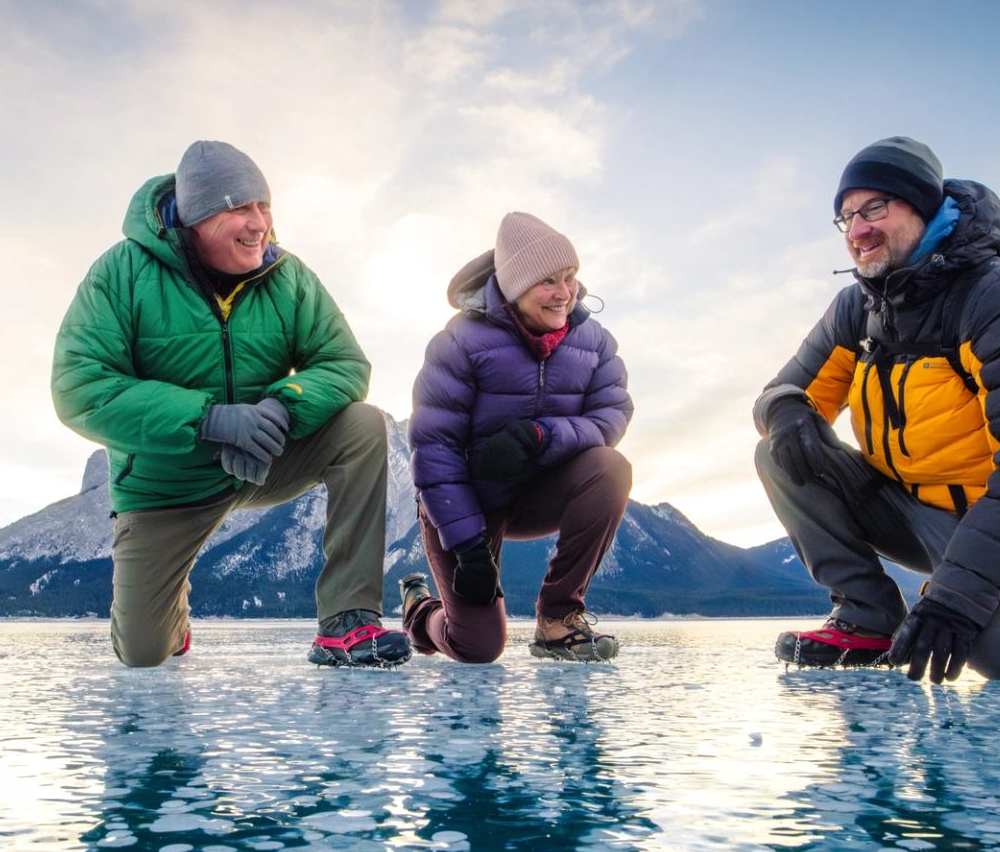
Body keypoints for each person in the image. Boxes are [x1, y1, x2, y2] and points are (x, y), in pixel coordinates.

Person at [51, 140, 409, 668]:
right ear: (197, 218)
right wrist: (209, 420)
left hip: (267, 458)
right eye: (241, 208)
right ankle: (171, 617)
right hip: (166, 485)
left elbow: (344, 363)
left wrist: (283, 408)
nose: (260, 223)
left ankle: (347, 621)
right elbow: (79, 386)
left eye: (264, 206)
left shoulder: (287, 276)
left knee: (362, 426)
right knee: (144, 655)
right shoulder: (120, 274)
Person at [754, 137, 1000, 682]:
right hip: (905, 507)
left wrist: (957, 599)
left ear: (923, 207)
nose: (858, 229)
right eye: (845, 217)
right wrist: (785, 409)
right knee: (779, 450)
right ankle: (867, 616)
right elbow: (782, 391)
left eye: (874, 208)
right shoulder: (857, 308)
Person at [403, 212, 633, 663]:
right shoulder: (458, 343)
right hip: (469, 500)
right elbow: (434, 449)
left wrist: (542, 435)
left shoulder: (595, 341)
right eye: (548, 280)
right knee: (477, 647)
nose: (565, 293)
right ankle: (419, 611)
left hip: (539, 494)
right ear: (514, 285)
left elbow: (612, 415)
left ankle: (558, 619)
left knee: (609, 468)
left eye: (570, 277)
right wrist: (468, 548)